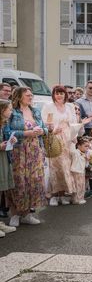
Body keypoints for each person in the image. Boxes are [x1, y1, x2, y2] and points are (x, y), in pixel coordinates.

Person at [41, 85, 91, 206]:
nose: (59, 96)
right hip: (55, 139)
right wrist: (52, 130)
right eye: (57, 93)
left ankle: (62, 194)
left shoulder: (70, 106)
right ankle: (53, 195)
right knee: (55, 168)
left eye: (61, 93)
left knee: (66, 168)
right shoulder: (48, 106)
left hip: (68, 139)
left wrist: (74, 137)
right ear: (53, 95)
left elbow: (73, 123)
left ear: (65, 95)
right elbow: (44, 123)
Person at [5, 87, 47, 227]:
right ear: (19, 96)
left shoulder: (35, 111)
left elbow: (44, 128)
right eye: (28, 95)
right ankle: (15, 214)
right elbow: (7, 132)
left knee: (34, 181)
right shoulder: (12, 112)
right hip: (18, 150)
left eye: (31, 95)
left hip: (35, 149)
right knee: (19, 182)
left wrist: (42, 130)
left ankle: (28, 214)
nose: (31, 97)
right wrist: (25, 133)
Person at [0, 99, 17, 236]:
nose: (11, 111)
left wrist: (9, 141)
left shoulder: (3, 124)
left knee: (1, 189)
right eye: (9, 109)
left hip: (3, 158)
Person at [70, 137, 92, 205]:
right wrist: (73, 143)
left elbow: (86, 165)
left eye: (88, 146)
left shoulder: (85, 154)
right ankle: (76, 199)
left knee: (81, 185)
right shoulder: (76, 152)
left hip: (81, 171)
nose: (87, 148)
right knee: (77, 185)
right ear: (79, 146)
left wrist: (87, 160)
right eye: (85, 146)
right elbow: (71, 150)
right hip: (75, 171)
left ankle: (80, 198)